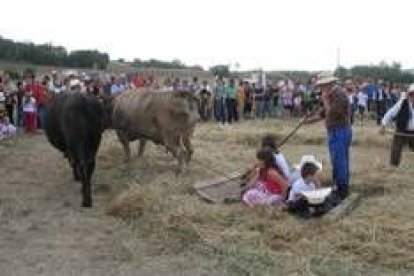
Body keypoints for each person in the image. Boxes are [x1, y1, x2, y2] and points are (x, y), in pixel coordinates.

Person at [303, 75, 352, 200]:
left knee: (340, 160)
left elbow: (332, 114)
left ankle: (342, 189)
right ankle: (339, 186)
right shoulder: (331, 95)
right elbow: (323, 114)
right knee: (336, 159)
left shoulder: (339, 95)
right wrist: (307, 121)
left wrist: (325, 100)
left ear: (329, 84)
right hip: (334, 130)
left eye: (321, 86)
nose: (320, 88)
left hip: (340, 130)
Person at [380, 84, 414, 167]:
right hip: (401, 130)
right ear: (408, 94)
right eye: (411, 94)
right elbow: (391, 113)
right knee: (396, 148)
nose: (413, 97)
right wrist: (384, 124)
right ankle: (393, 166)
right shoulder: (402, 102)